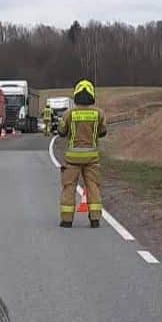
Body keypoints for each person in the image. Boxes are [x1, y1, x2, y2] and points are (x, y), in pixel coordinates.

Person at [56, 80, 107, 228]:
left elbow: (61, 131)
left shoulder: (69, 114)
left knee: (69, 187)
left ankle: (66, 220)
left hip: (72, 159)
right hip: (92, 158)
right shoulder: (99, 114)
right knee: (93, 187)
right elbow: (103, 132)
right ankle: (95, 219)